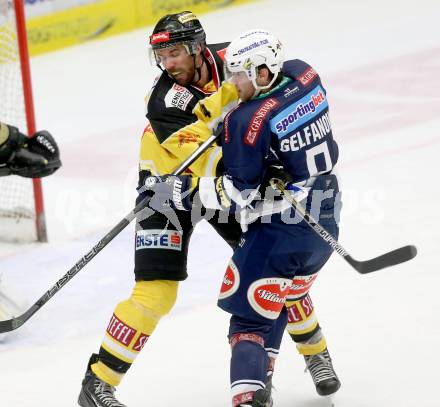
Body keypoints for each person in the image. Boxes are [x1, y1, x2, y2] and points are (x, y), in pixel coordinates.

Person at [78, 12, 338, 407]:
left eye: (176, 52)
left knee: (272, 267)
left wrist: (272, 159)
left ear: (199, 47)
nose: (168, 64)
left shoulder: (236, 60)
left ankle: (315, 351)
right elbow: (199, 161)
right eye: (160, 56)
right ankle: (97, 384)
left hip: (227, 181)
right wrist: (263, 171)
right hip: (168, 186)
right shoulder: (163, 100)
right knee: (156, 293)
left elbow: (276, 89)